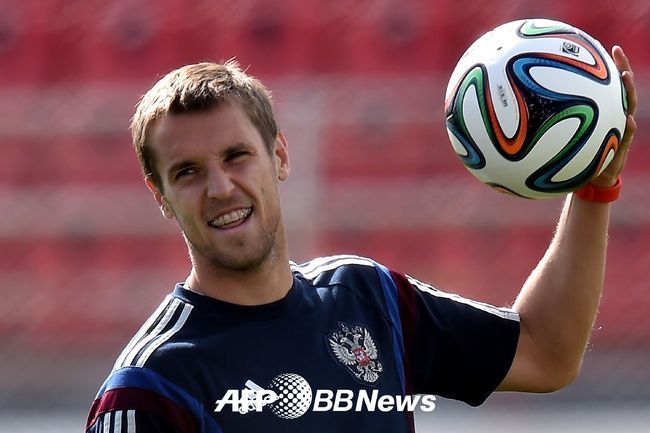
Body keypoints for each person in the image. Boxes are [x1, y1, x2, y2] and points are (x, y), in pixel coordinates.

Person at [85, 46, 637, 433]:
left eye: (236, 156)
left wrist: (594, 191)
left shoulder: (367, 298)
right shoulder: (149, 390)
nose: (220, 188)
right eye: (187, 172)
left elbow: (546, 353)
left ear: (279, 156)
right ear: (161, 196)